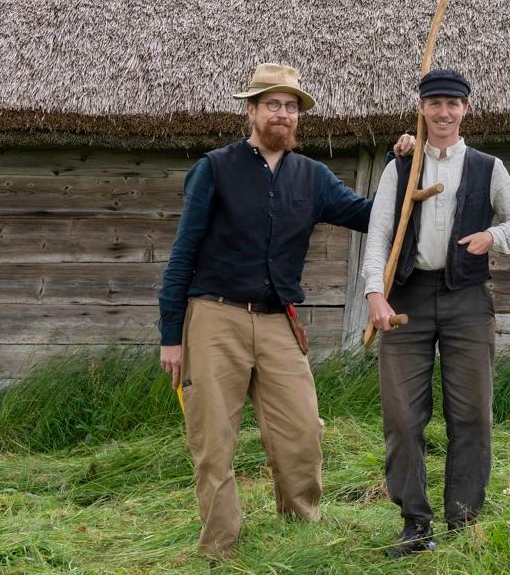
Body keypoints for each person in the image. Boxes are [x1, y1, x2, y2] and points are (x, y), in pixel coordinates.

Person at [156, 63, 372, 559]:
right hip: (215, 318)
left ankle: (298, 533)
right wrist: (172, 336)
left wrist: (408, 165)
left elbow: (367, 214)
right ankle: (220, 548)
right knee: (214, 440)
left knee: (302, 431)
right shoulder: (215, 168)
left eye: (291, 105)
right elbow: (182, 255)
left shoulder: (312, 176)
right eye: (272, 103)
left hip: (279, 321)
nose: (282, 113)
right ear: (251, 110)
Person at [362, 69, 510, 556]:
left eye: (452, 104)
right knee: (402, 415)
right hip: (407, 300)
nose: (443, 112)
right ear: (422, 108)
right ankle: (415, 523)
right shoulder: (400, 168)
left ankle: (464, 521)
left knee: (472, 413)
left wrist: (492, 238)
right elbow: (378, 235)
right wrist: (376, 293)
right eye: (434, 103)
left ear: (466, 109)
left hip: (467, 300)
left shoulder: (487, 166)